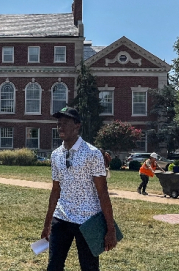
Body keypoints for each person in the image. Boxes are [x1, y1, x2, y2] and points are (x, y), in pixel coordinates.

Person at [42, 107, 117, 271]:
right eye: (59, 123)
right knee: (53, 266)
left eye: (66, 123)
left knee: (89, 268)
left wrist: (110, 229)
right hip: (61, 218)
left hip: (87, 221)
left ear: (77, 126)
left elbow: (103, 193)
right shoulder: (56, 155)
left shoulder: (92, 154)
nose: (61, 127)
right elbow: (55, 190)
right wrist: (48, 223)